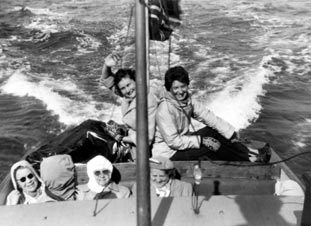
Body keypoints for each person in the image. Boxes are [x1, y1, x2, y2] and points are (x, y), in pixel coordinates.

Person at [152, 66, 271, 162]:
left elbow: (208, 117)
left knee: (215, 132)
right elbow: (174, 142)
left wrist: (231, 132)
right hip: (169, 153)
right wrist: (202, 141)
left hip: (181, 143)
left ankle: (251, 152)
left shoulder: (187, 101)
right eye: (176, 88)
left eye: (183, 86)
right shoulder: (165, 110)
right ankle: (250, 160)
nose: (180, 91)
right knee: (212, 146)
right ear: (169, 89)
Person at [100, 54, 163, 157]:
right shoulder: (128, 96)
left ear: (137, 81)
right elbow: (107, 79)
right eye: (123, 88)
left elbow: (147, 139)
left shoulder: (148, 100)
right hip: (131, 139)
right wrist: (107, 66)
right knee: (91, 127)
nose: (128, 90)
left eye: (129, 85)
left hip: (145, 150)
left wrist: (120, 137)